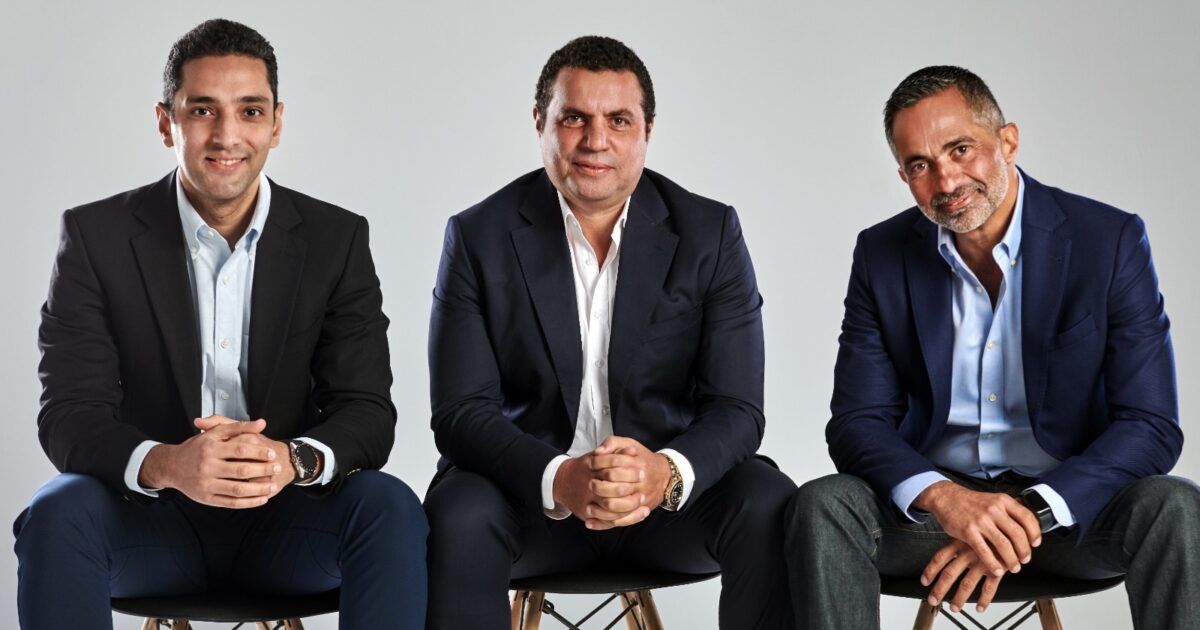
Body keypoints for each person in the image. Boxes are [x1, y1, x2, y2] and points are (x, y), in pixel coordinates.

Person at [13, 19, 427, 629]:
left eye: (250, 111)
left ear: (276, 124)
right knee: (56, 510)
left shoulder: (336, 240)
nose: (227, 135)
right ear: (166, 123)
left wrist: (291, 460)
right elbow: (68, 414)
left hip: (290, 527)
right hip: (147, 526)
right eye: (202, 110)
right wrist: (169, 464)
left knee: (389, 506)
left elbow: (367, 411)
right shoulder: (96, 237)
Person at [786, 65, 1200, 629]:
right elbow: (857, 423)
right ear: (903, 175)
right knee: (823, 505)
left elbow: (1150, 425)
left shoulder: (1108, 240)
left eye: (961, 150)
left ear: (1007, 141)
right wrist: (945, 499)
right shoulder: (881, 254)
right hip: (934, 521)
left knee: (1176, 507)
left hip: (1071, 516)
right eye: (919, 165)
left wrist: (1029, 514)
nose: (946, 181)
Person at [424, 35, 796, 629]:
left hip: (666, 509)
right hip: (529, 503)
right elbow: (460, 412)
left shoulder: (711, 233)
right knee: (458, 513)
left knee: (769, 501)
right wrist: (560, 478)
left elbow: (738, 409)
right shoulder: (478, 236)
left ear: (647, 130)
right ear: (540, 122)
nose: (596, 140)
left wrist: (662, 474)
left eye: (618, 120)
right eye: (575, 118)